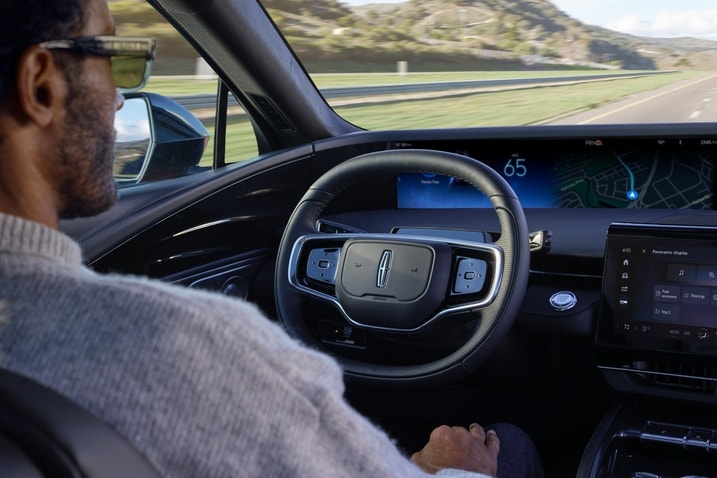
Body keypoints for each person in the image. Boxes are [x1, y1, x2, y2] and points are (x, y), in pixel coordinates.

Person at [0, 0, 544, 477]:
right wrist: (447, 470)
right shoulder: (191, 346)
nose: (120, 96)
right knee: (508, 444)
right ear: (41, 84)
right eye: (113, 57)